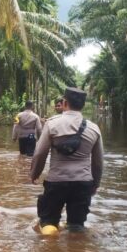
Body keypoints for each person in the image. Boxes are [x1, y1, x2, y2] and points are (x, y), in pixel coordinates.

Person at [29, 87, 104, 234]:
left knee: (48, 224)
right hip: (83, 182)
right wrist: (95, 184)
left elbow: (39, 154)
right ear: (83, 105)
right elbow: (98, 162)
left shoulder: (52, 124)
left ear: (64, 102)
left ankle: (50, 251)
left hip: (56, 181)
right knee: (77, 226)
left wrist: (34, 174)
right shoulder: (94, 129)